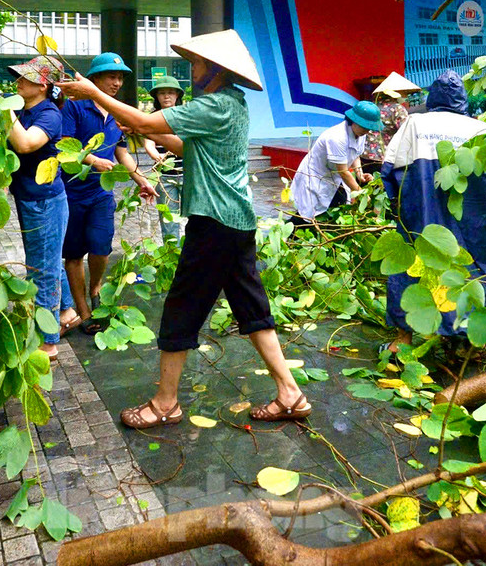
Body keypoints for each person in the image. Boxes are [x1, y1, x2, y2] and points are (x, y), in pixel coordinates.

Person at [59, 30, 308, 428]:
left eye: (195, 65)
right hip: (236, 222)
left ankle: (165, 403)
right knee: (251, 308)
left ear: (215, 71)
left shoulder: (213, 106)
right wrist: (144, 131)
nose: (191, 72)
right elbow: (188, 148)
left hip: (214, 224)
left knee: (181, 309)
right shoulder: (233, 104)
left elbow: (140, 117)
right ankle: (290, 393)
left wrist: (95, 94)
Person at [380, 70, 486, 355]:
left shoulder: (414, 124)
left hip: (421, 216)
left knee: (410, 270)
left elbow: (390, 169)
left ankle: (401, 343)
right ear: (463, 101)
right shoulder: (481, 130)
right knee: (473, 271)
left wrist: (399, 208)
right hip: (472, 222)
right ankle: (470, 344)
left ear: (432, 98)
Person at [61, 51, 156, 334]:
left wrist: (141, 179)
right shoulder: (75, 106)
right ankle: (85, 310)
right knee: (75, 253)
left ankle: (96, 287)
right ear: (95, 79)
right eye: (111, 77)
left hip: (102, 193)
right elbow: (64, 146)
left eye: (120, 78)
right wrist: (92, 160)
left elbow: (122, 151)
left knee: (101, 247)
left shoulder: (117, 110)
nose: (117, 83)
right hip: (71, 192)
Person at [4, 56, 81, 358]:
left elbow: (25, 145)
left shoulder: (48, 114)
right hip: (30, 198)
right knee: (46, 259)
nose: (18, 81)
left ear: (44, 85)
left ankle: (48, 342)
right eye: (19, 76)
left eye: (26, 78)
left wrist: (2, 111)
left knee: (42, 269)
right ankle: (66, 313)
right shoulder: (25, 111)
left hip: (45, 202)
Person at [288, 100, 381, 228]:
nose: (367, 131)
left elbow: (355, 154)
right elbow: (343, 172)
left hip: (333, 176)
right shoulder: (337, 137)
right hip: (316, 176)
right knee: (308, 216)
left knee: (338, 204)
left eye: (368, 128)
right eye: (364, 127)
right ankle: (287, 233)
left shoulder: (360, 134)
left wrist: (360, 174)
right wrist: (361, 193)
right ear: (353, 120)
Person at [142, 75, 185, 241]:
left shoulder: (185, 115)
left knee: (197, 218)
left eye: (170, 92)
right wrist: (157, 156)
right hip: (165, 176)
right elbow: (149, 144)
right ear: (156, 97)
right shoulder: (151, 118)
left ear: (177, 95)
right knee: (168, 220)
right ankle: (172, 256)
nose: (166, 96)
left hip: (189, 173)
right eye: (162, 93)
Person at [361, 72, 418, 173]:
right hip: (383, 157)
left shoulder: (371, 106)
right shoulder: (397, 108)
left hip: (364, 156)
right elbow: (407, 132)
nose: (405, 95)